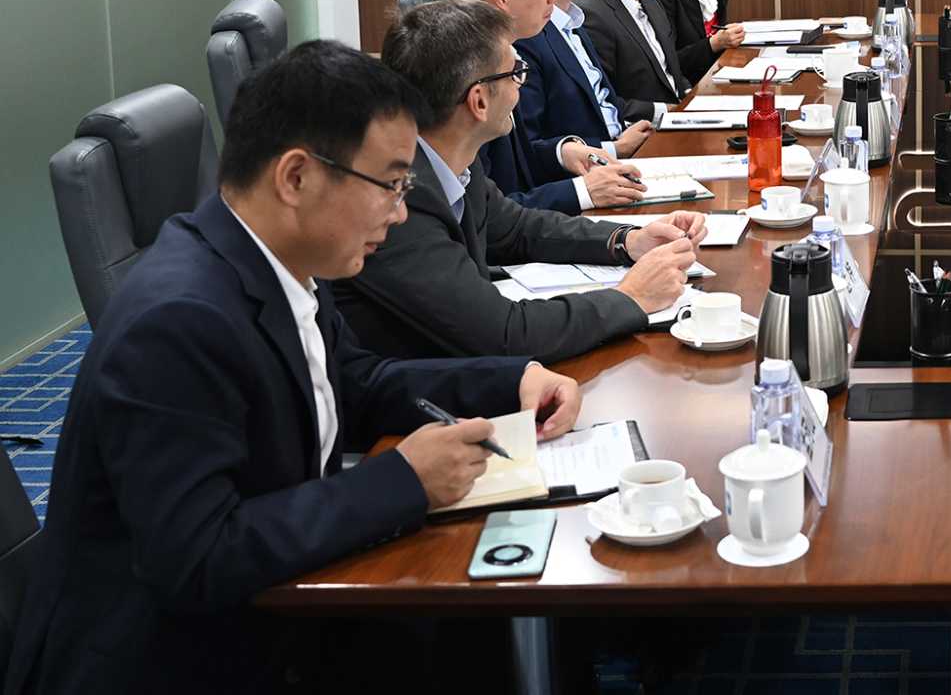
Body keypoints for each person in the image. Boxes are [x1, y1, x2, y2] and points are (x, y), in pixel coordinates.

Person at [6, 41, 582, 695]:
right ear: (296, 178)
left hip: (271, 607)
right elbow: (199, 558)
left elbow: (355, 384)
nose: (400, 212)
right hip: (176, 659)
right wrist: (403, 479)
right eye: (391, 184)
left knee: (484, 619)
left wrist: (511, 379)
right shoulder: (177, 321)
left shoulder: (274, 261)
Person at [334, 0, 701, 362]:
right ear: (479, 101)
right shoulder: (397, 199)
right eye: (516, 73)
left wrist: (627, 240)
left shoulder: (452, 159)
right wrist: (631, 297)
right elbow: (505, 335)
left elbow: (516, 228)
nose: (521, 86)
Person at [449, 0, 646, 214]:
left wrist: (561, 152)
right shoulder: (470, 80)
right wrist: (583, 192)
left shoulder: (500, 57)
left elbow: (519, 163)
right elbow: (491, 218)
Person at [508, 0, 660, 171]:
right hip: (592, 175)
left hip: (624, 158)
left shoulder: (573, 22)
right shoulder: (524, 38)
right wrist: (614, 149)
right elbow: (528, 151)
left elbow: (604, 107)